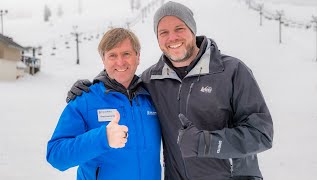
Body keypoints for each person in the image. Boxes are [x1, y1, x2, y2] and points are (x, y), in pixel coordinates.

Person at [67, 1, 274, 180]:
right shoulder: (152, 80)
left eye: (179, 29)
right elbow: (122, 81)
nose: (172, 38)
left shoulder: (231, 71)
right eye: (163, 32)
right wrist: (92, 86)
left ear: (192, 30)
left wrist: (207, 143)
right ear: (157, 39)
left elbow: (262, 134)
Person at [46, 28, 161, 180]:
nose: (120, 62)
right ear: (103, 60)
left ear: (138, 57)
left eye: (126, 54)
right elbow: (56, 155)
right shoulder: (85, 100)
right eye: (112, 55)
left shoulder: (152, 96)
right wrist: (102, 138)